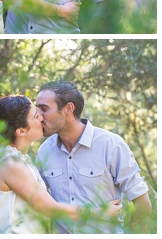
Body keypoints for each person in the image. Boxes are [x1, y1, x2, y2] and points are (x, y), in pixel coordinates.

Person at [0, 95, 122, 234]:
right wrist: (99, 213)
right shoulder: (11, 164)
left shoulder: (18, 160)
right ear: (21, 131)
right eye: (35, 115)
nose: (41, 117)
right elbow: (51, 209)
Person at [34, 81, 152, 233]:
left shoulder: (111, 145)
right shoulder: (44, 151)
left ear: (68, 109)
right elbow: (39, 205)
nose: (39, 116)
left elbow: (142, 202)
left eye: (44, 109)